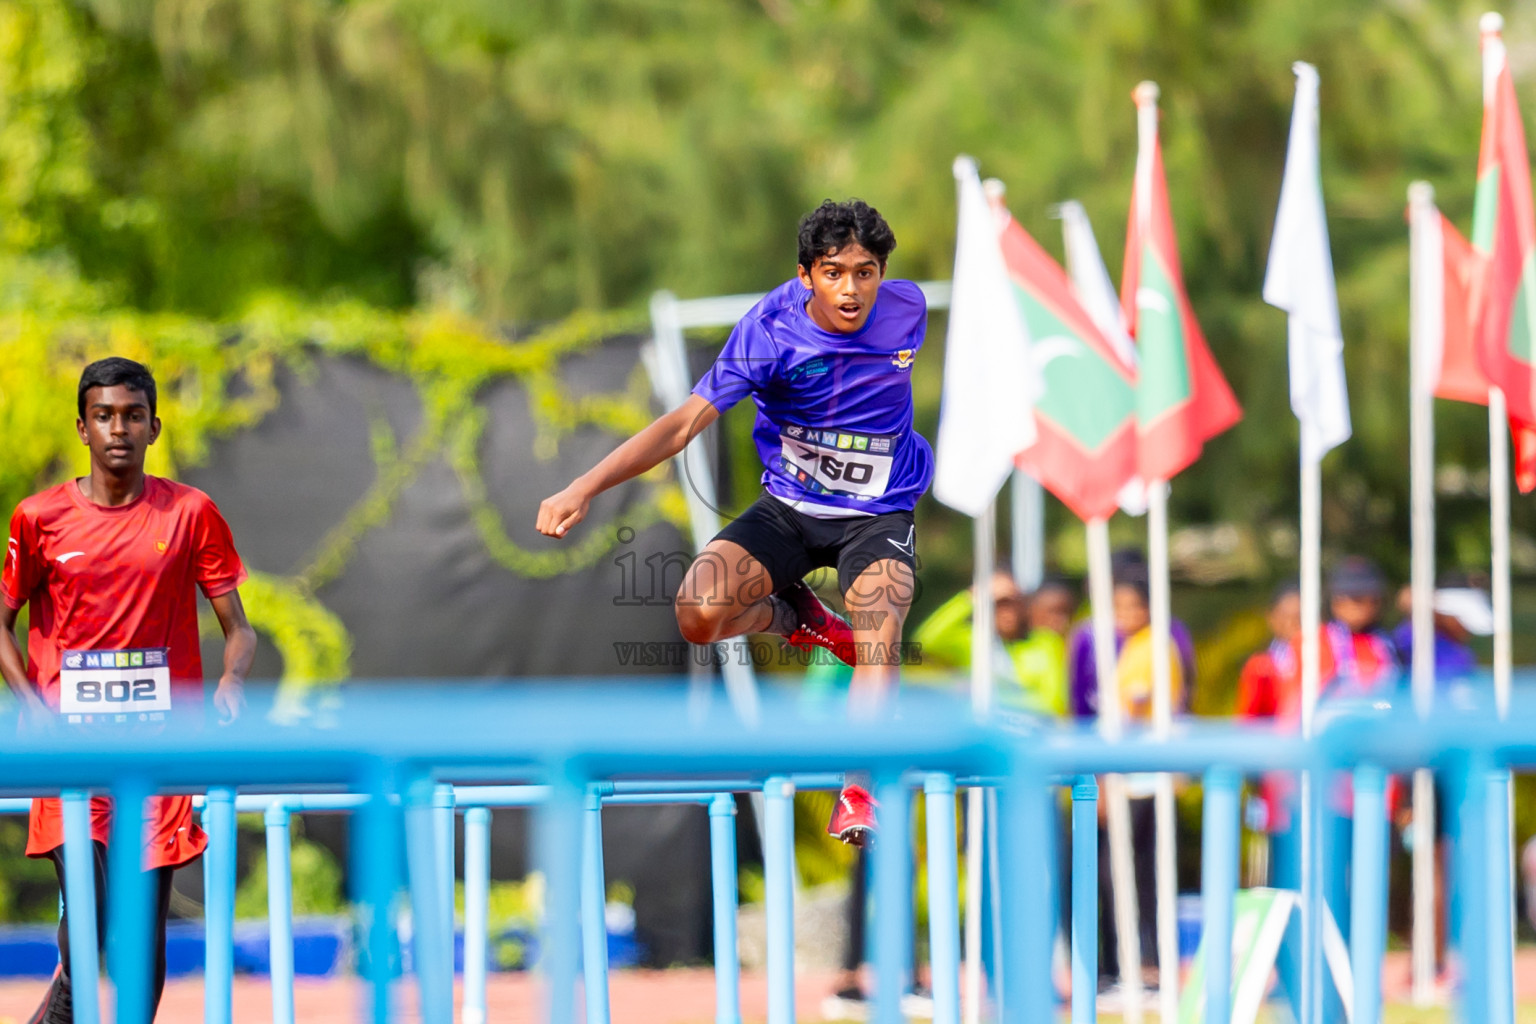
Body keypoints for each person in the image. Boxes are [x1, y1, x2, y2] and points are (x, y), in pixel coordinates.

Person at [538, 199, 930, 846]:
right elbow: (680, 426)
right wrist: (584, 486)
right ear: (806, 276)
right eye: (834, 273)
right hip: (789, 509)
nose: (852, 289)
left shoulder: (907, 307)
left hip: (878, 513)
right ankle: (794, 618)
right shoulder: (769, 333)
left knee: (880, 632)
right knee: (698, 614)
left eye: (865, 272)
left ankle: (858, 792)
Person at [0, 357, 257, 1023]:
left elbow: (239, 629)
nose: (120, 428)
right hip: (71, 759)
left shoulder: (191, 513)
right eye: (105, 416)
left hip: (157, 757)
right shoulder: (39, 519)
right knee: (88, 934)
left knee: (137, 941)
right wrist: (33, 711)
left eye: (133, 416)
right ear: (82, 427)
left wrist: (231, 680)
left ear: (154, 427)